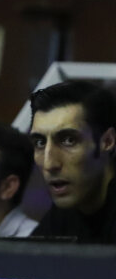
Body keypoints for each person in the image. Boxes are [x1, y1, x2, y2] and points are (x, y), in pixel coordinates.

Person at [28, 80, 116, 242]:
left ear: (107, 141)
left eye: (69, 140)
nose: (49, 164)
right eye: (40, 143)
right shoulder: (63, 214)